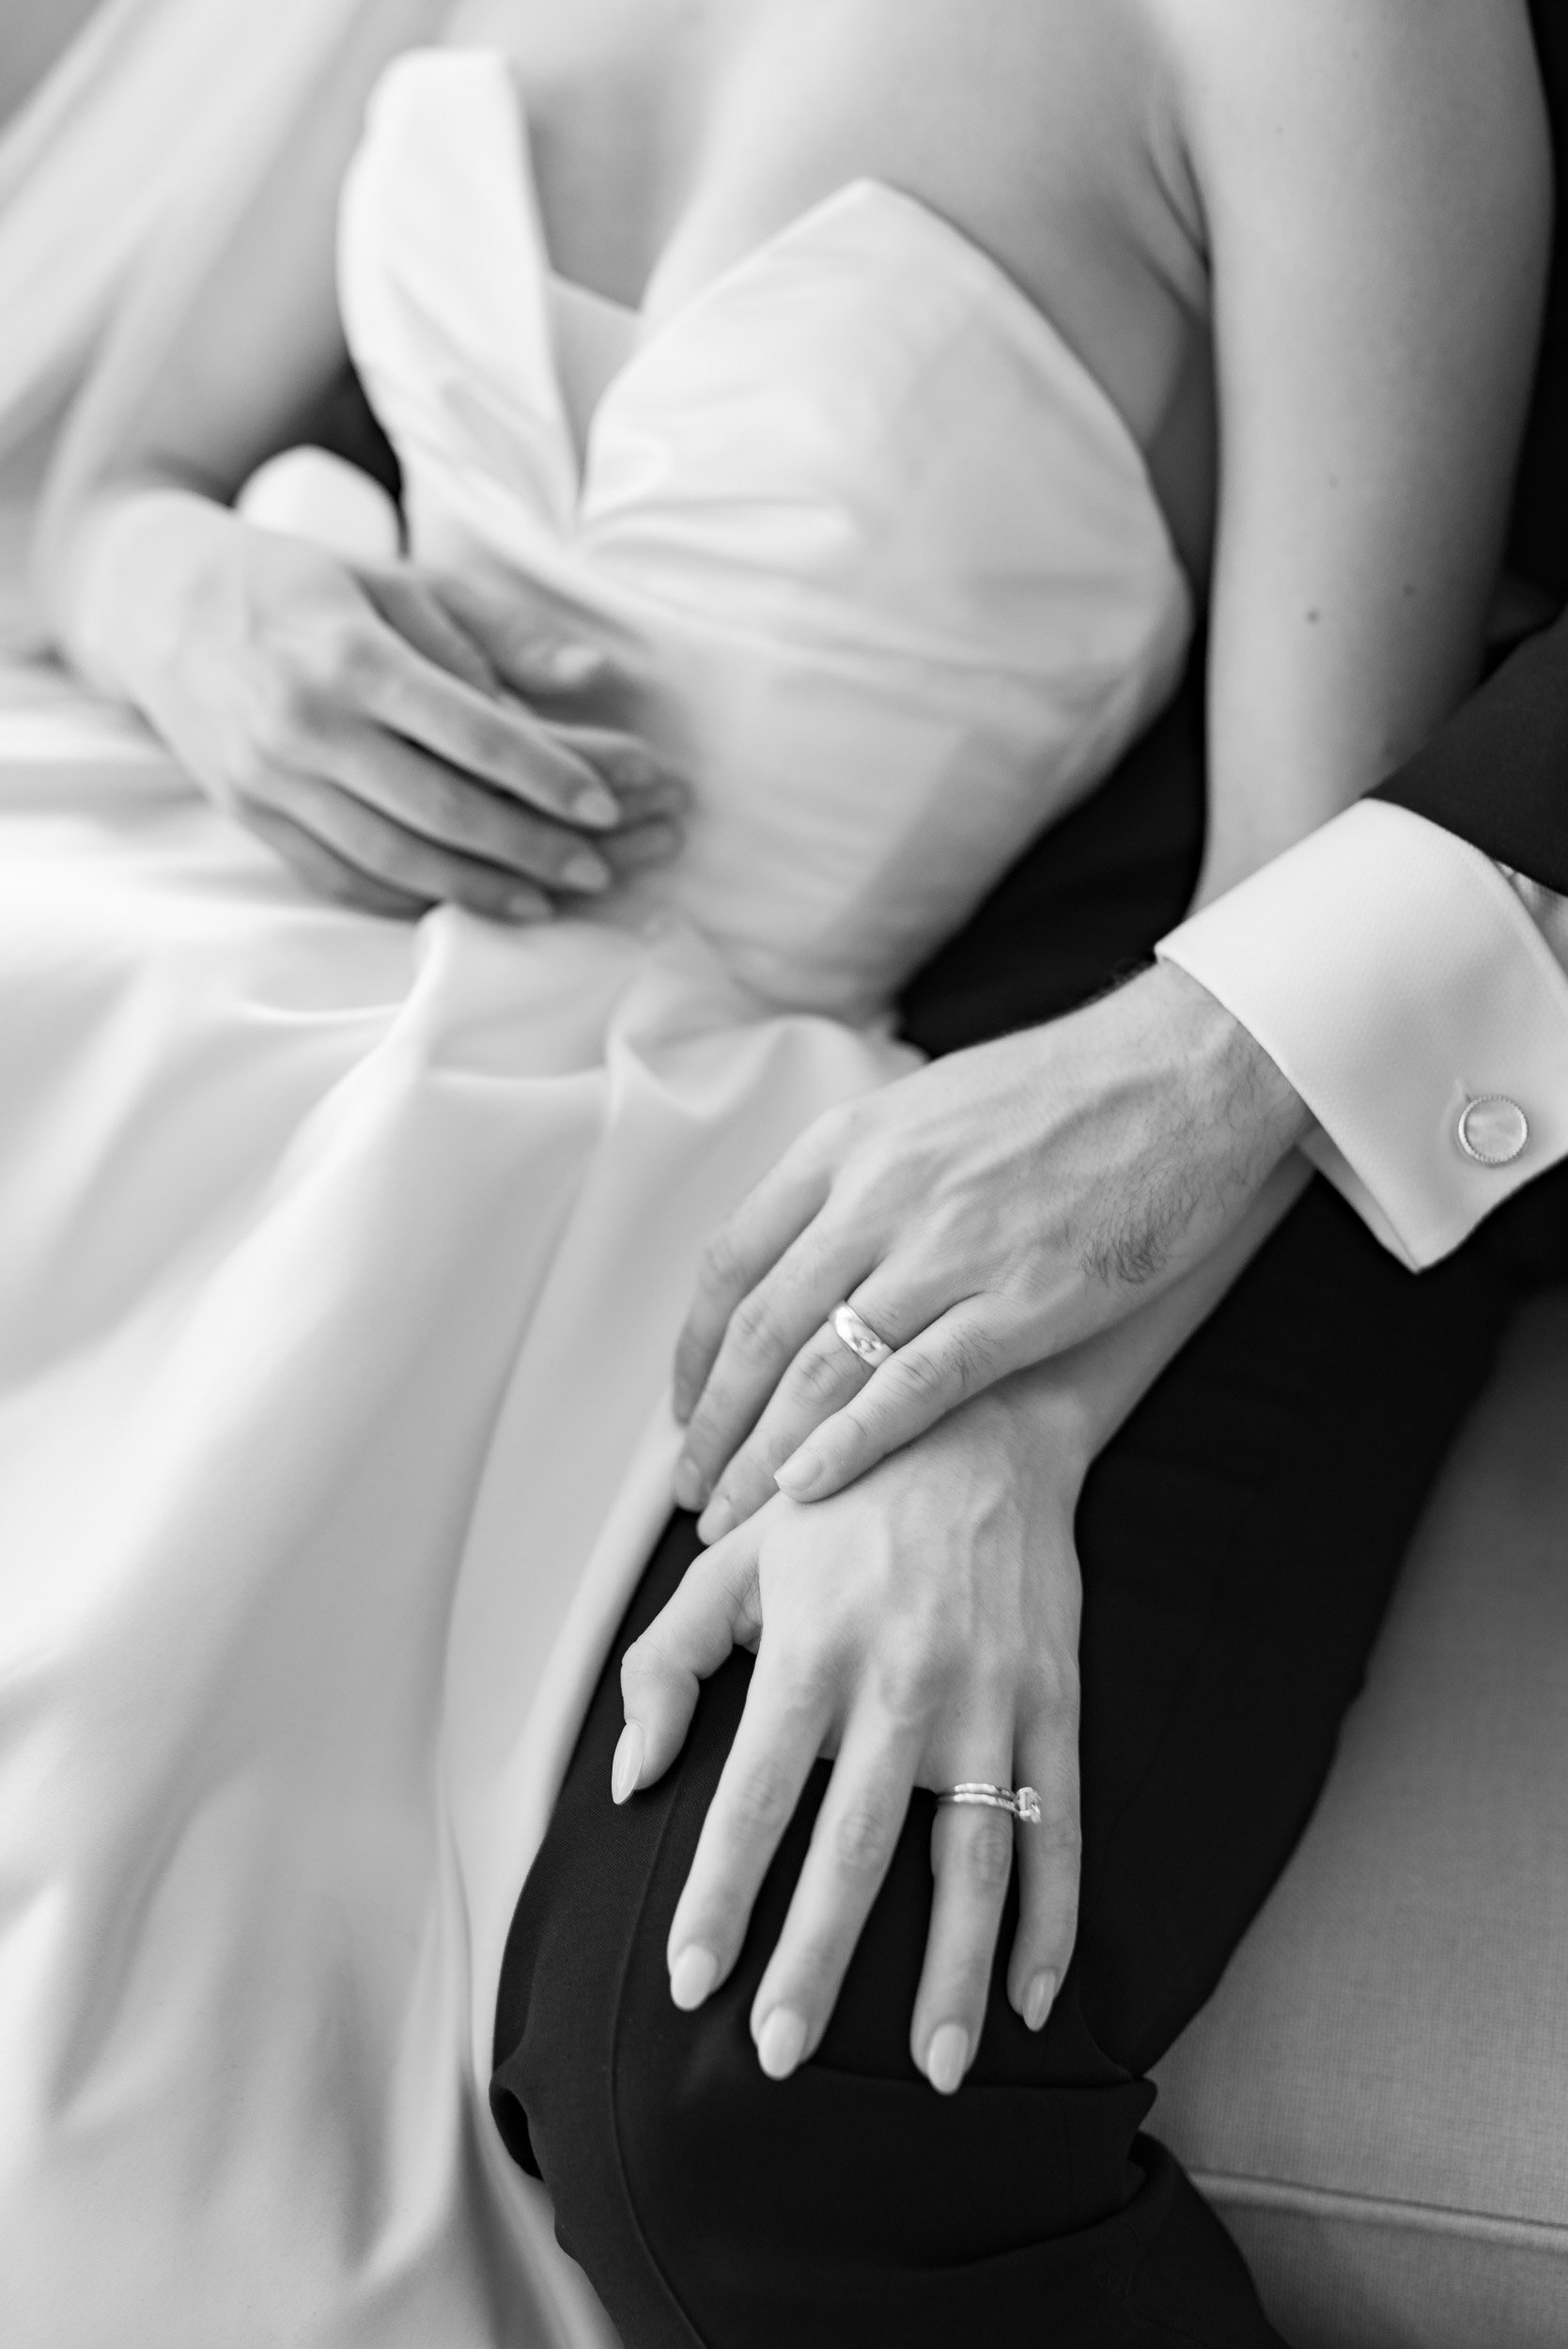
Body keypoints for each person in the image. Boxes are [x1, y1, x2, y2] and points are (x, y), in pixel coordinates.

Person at [0, 4, 1547, 2347]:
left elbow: (1266, 938)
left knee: (132, 1763)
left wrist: (988, 1399)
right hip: (185, 901)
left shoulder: (1328, 34)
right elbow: (101, 472)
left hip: (645, 1109)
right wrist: (190, 603)